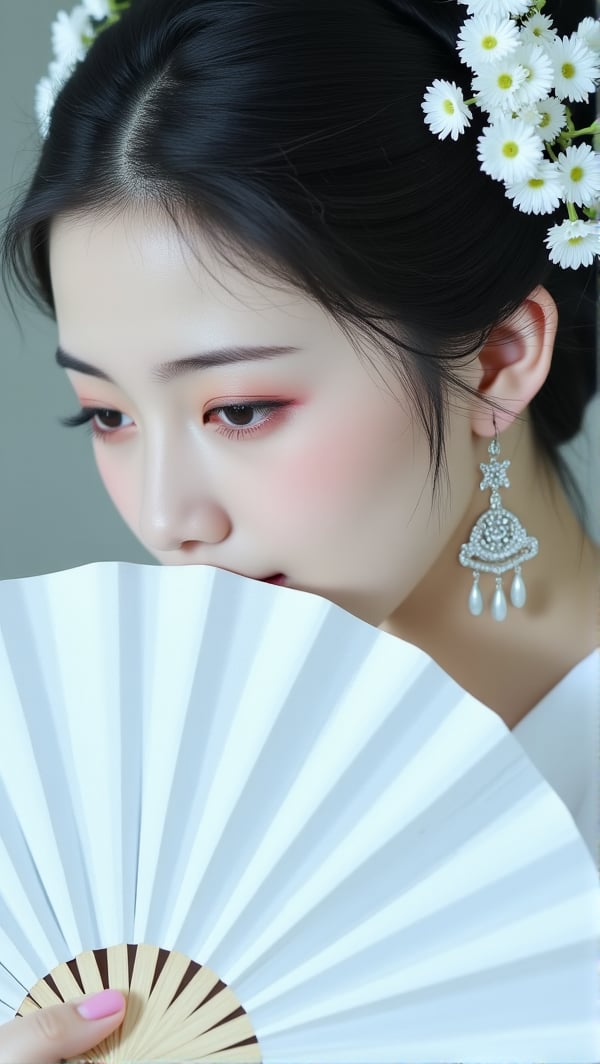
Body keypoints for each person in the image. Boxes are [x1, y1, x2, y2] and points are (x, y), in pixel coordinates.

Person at [0, 0, 598, 1060]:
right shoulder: (102, 801)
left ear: (501, 355)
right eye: (108, 415)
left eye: (238, 408)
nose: (168, 516)